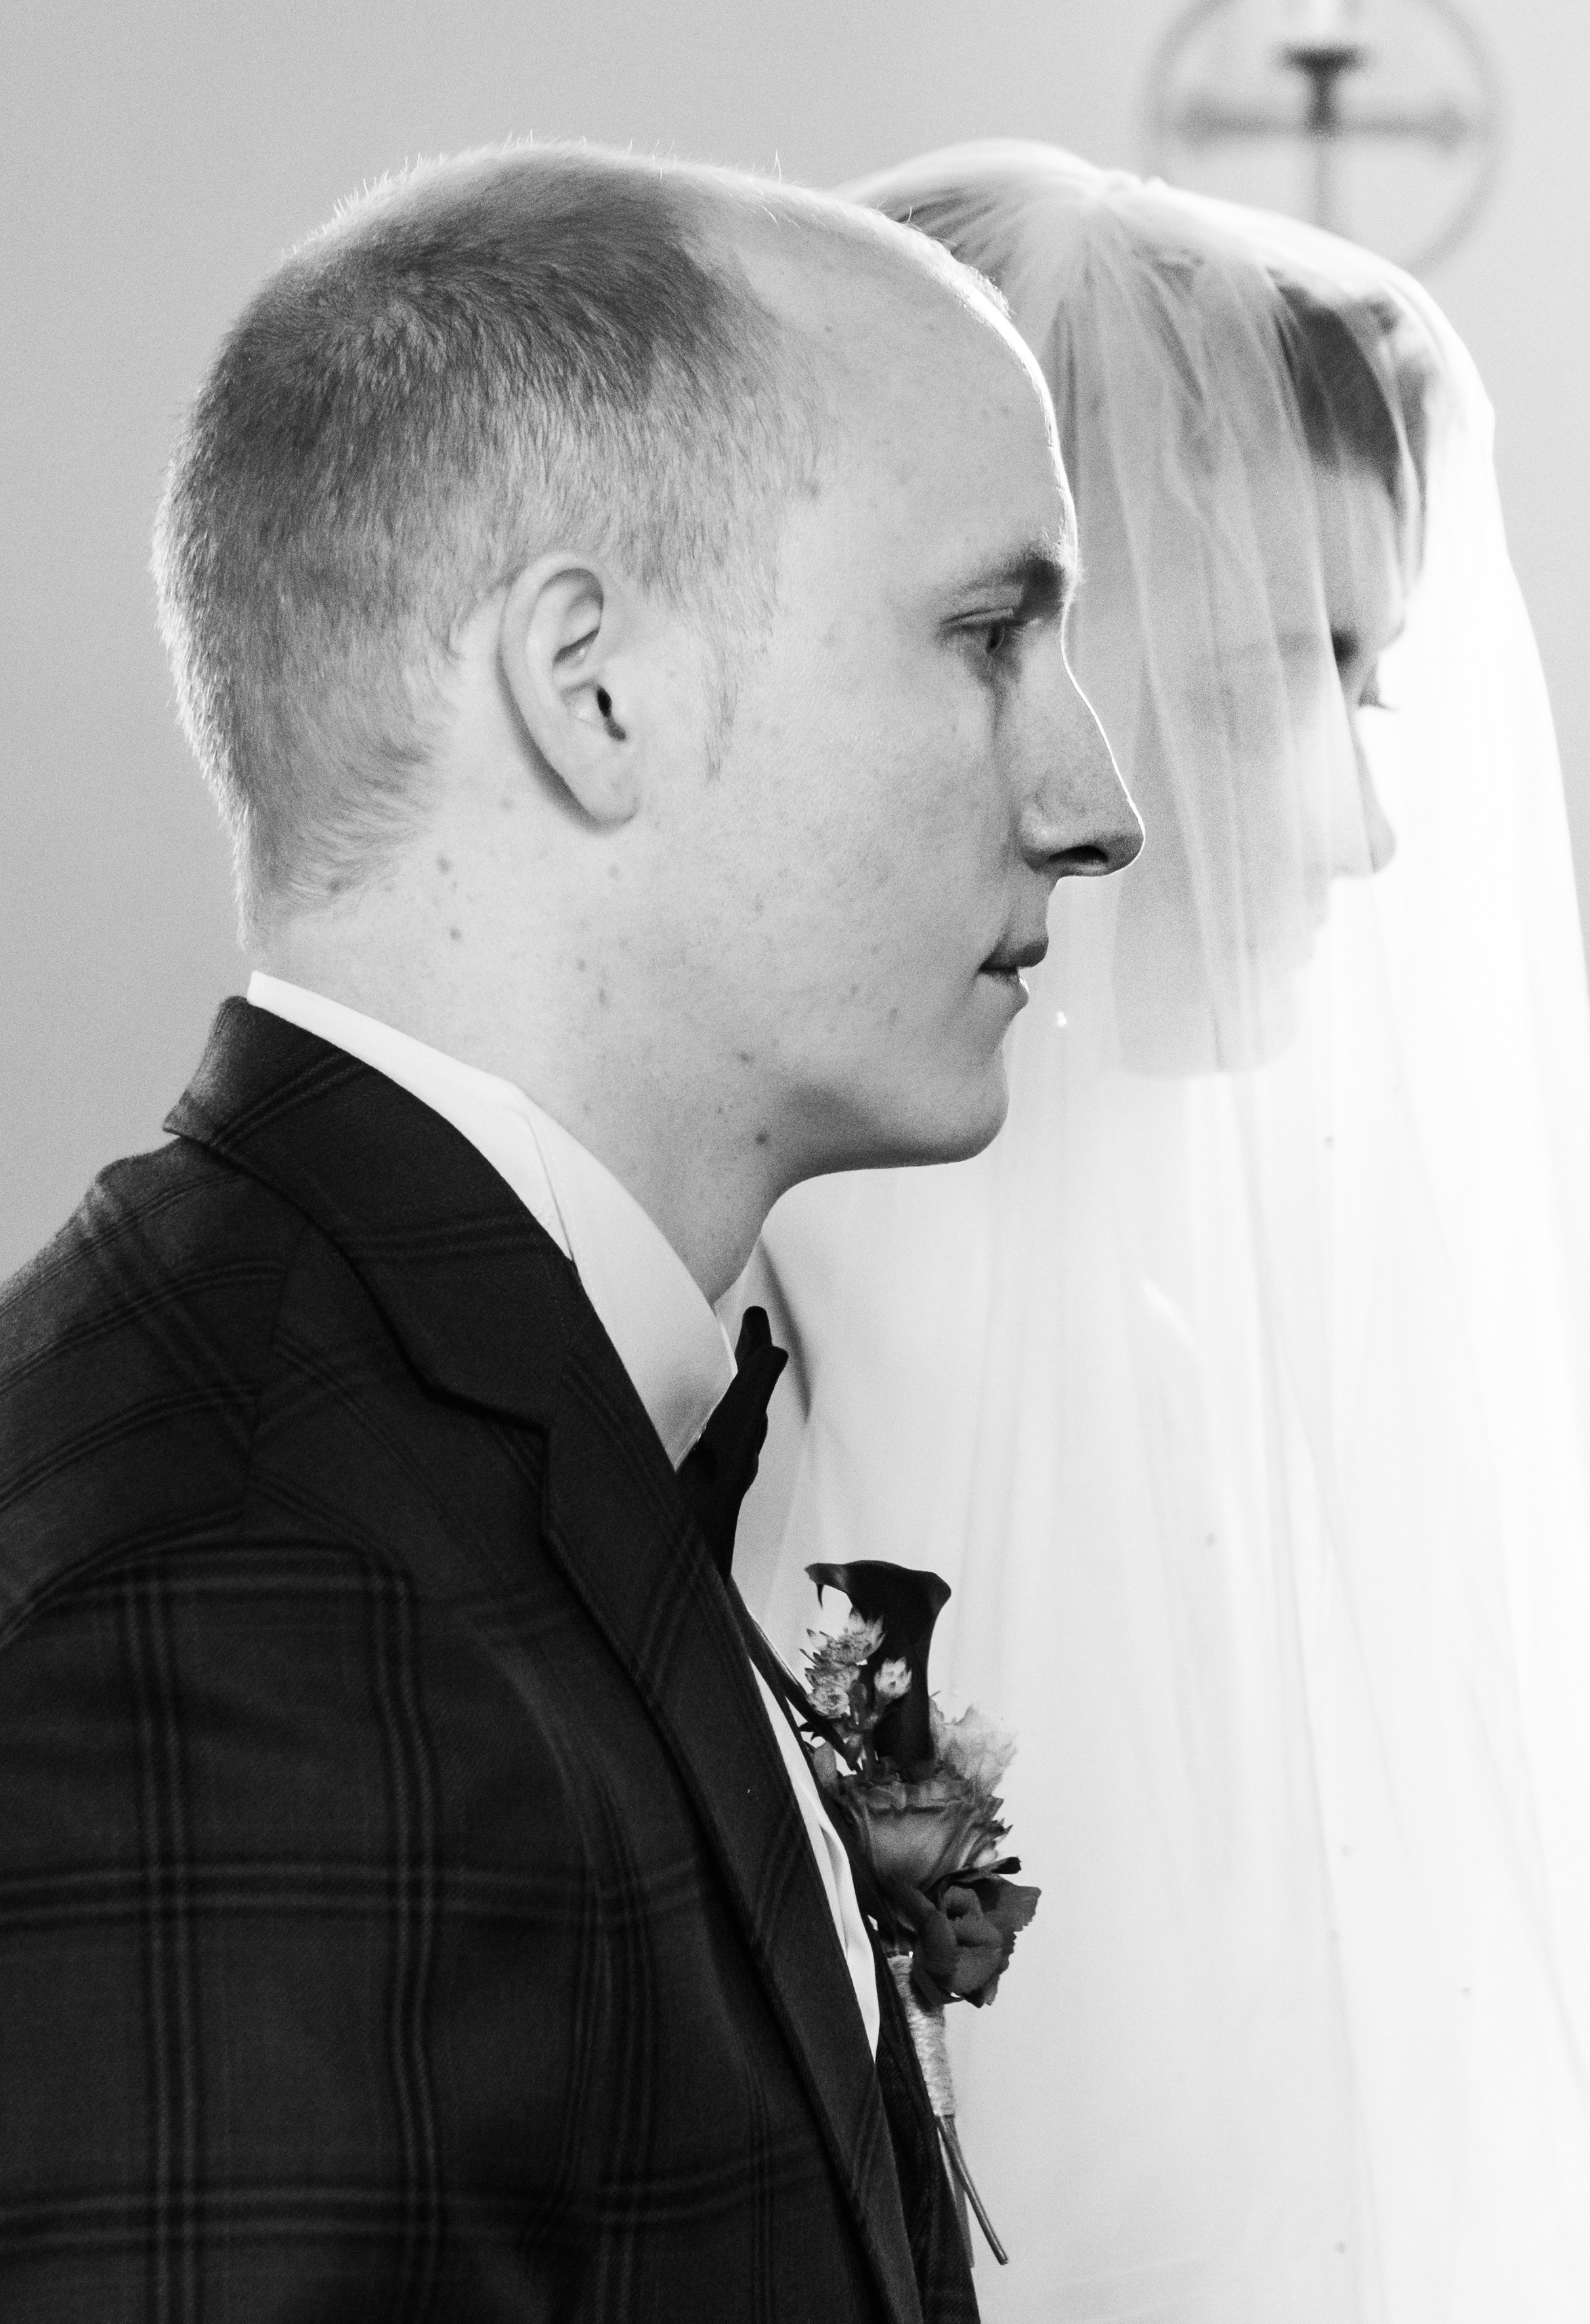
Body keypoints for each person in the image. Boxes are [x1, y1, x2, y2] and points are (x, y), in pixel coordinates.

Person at [0, 142, 1142, 2322]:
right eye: (989, 634)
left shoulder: (448, 1438)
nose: (1098, 806)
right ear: (592, 688)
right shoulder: (238, 1621)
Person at [732, 145, 1590, 2322]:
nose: (1369, 831)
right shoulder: (747, 1366)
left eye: (1373, 686)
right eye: (1296, 673)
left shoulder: (1179, 1357)